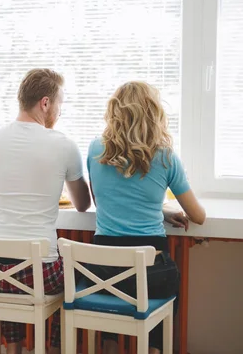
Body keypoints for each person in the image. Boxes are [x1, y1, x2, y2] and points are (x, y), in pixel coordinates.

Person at [87, 81, 206, 354]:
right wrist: (161, 209)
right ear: (154, 112)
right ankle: (153, 349)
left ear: (114, 112)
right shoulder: (166, 158)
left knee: (109, 285)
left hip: (102, 271)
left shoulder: (96, 150)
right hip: (150, 273)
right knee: (167, 287)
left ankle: (109, 346)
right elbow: (197, 216)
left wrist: (159, 211)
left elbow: (104, 202)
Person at [0, 68, 91, 354]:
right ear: (45, 103)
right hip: (36, 272)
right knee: (74, 277)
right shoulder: (62, 144)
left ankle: (13, 349)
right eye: (59, 104)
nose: (60, 111)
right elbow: (82, 204)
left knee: (10, 274)